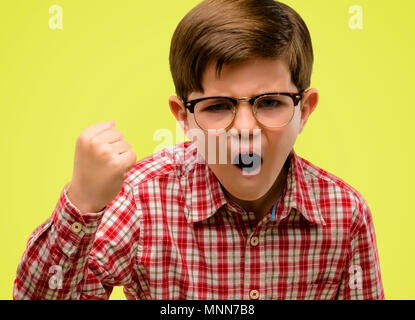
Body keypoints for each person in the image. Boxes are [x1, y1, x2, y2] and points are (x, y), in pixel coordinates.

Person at [13, 0, 384, 300]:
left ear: (304, 110)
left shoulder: (345, 215)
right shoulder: (141, 199)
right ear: (184, 117)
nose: (244, 130)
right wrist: (83, 204)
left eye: (270, 102)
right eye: (218, 106)